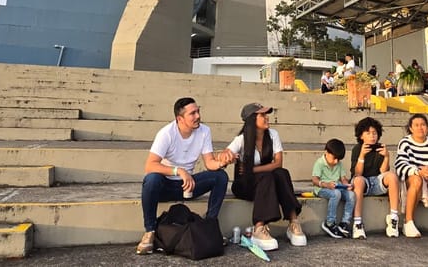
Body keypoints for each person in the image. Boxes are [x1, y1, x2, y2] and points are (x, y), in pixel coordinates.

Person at [137, 97, 232, 255]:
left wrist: (222, 162)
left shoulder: (204, 131)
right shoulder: (166, 133)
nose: (198, 116)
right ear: (180, 118)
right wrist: (179, 171)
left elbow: (209, 163)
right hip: (165, 186)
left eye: (198, 111)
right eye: (192, 113)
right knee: (151, 179)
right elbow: (150, 165)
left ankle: (209, 227)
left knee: (220, 176)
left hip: (188, 186)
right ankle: (150, 232)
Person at [226, 103, 305, 251]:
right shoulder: (242, 139)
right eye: (262, 115)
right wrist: (227, 156)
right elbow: (226, 152)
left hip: (264, 184)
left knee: (282, 173)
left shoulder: (273, 134)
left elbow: (278, 163)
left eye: (266, 114)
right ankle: (259, 228)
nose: (266, 117)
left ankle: (293, 222)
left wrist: (252, 169)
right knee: (267, 177)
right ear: (252, 119)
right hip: (245, 185)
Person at [349, 117, 400, 239]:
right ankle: (357, 223)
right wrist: (362, 155)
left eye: (374, 133)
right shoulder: (357, 148)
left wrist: (386, 157)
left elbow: (383, 171)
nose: (372, 136)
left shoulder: (380, 148)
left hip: (377, 181)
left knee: (392, 176)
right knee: (359, 181)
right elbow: (357, 173)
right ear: (361, 136)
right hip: (362, 181)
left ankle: (393, 218)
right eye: (368, 133)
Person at [312, 138, 356, 239]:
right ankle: (330, 223)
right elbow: (314, 180)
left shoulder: (339, 164)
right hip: (322, 188)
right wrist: (326, 184)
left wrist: (347, 185)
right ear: (327, 152)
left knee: (351, 195)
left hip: (337, 188)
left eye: (338, 159)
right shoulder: (320, 163)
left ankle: (345, 222)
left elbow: (343, 178)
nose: (336, 161)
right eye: (334, 158)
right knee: (336, 194)